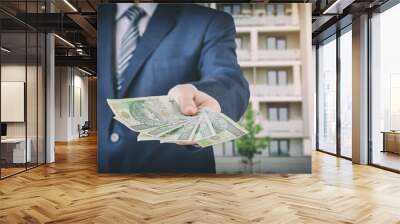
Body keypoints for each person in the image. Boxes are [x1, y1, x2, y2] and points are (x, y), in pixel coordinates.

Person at [97, 3, 250, 173]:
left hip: (178, 180)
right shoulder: (99, 17)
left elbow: (229, 79)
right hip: (101, 179)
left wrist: (210, 97)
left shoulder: (207, 21)